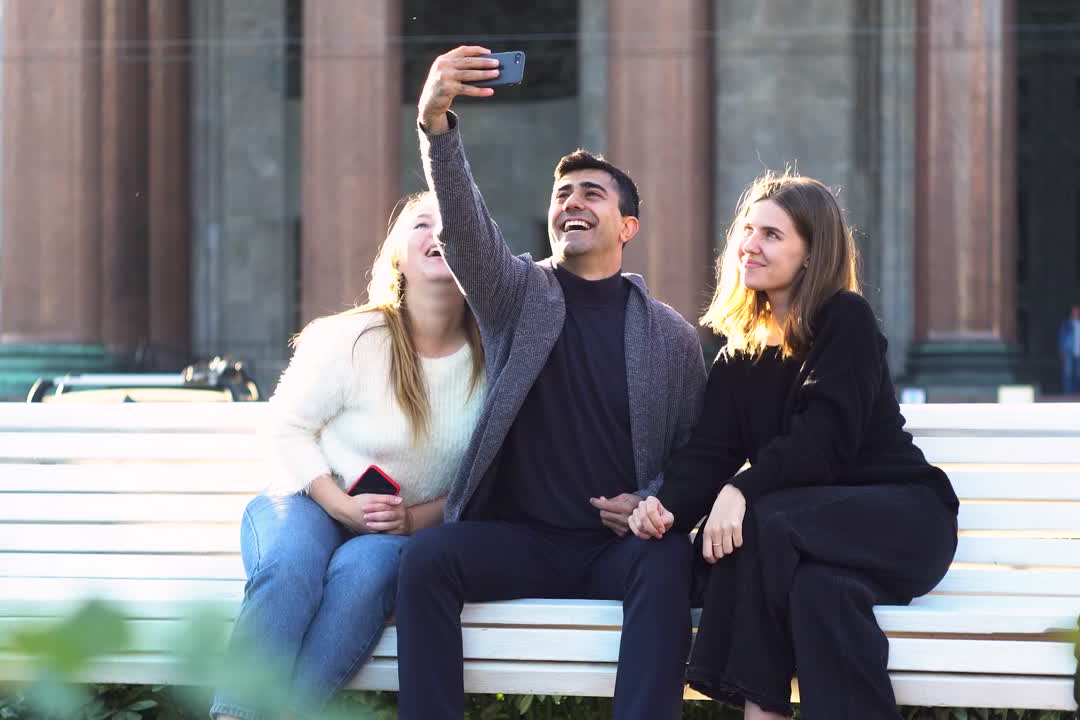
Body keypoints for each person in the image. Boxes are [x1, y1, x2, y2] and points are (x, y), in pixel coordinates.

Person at [393, 46, 707, 720]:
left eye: (592, 193)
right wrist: (436, 124)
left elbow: (693, 454)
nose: (572, 202)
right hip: (522, 542)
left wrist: (651, 503)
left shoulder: (671, 335)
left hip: (616, 549)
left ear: (628, 226)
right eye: (562, 193)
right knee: (427, 560)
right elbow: (468, 233)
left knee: (666, 562)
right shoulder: (520, 294)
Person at [629, 172, 959, 720]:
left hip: (902, 521)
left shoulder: (844, 319)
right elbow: (708, 454)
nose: (750, 245)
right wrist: (663, 508)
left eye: (772, 235)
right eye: (747, 230)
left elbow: (823, 442)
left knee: (759, 524)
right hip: (814, 546)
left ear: (812, 254)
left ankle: (762, 714)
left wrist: (742, 489)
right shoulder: (739, 356)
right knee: (819, 599)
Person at [209, 192, 486, 720]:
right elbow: (286, 428)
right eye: (422, 224)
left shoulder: (494, 358)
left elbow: (492, 476)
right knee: (291, 566)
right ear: (398, 255)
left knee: (364, 578)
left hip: (399, 529)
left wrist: (412, 519)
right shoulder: (353, 337)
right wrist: (338, 505)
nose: (438, 235)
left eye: (453, 225)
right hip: (307, 498)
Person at [1057, 305, 1080, 395]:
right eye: (1074, 311)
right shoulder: (1066, 324)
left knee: (1078, 375)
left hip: (1079, 352)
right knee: (1067, 374)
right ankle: (1067, 394)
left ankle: (1076, 394)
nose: (1076, 313)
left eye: (1077, 311)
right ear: (1071, 312)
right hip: (1068, 352)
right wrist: (1062, 350)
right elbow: (1062, 337)